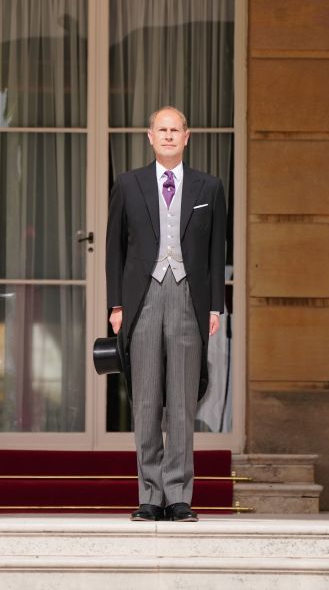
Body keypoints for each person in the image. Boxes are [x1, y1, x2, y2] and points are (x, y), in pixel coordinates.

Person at [105, 106, 227, 522]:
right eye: (163, 129)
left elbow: (216, 251)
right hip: (143, 297)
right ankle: (148, 494)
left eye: (176, 130)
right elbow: (113, 249)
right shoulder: (129, 184)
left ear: (187, 137)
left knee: (181, 401)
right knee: (145, 400)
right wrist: (116, 305)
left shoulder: (209, 187)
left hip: (189, 297)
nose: (170, 136)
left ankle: (178, 495)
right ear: (149, 136)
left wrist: (215, 306)